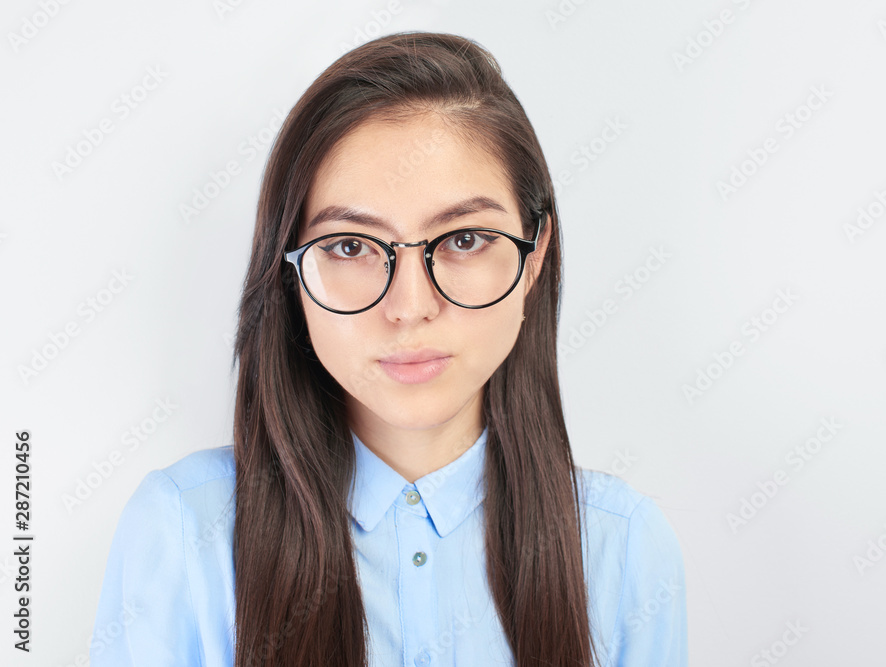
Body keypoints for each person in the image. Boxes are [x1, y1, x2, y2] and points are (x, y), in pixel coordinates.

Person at [89, 31, 687, 666]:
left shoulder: (623, 550)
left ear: (534, 255)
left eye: (462, 240)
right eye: (351, 246)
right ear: (290, 272)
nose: (409, 307)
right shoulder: (183, 530)